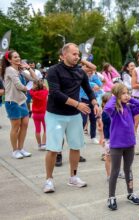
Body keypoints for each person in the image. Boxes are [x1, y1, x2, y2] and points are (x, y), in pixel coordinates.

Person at [43, 43, 99, 193]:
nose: (77, 57)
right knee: (53, 148)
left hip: (73, 116)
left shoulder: (80, 71)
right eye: (74, 54)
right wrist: (78, 104)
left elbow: (88, 89)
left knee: (75, 146)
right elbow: (55, 93)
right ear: (64, 55)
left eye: (78, 54)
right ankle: (49, 180)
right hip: (55, 115)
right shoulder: (54, 70)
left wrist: (94, 103)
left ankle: (73, 177)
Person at [104, 83, 139, 210]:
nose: (126, 96)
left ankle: (130, 193)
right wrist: (115, 96)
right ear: (116, 95)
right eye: (123, 93)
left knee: (128, 169)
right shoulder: (114, 110)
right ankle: (111, 196)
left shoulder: (129, 107)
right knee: (115, 171)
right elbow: (107, 107)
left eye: (128, 93)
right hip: (116, 145)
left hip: (130, 144)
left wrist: (129, 98)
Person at [1, 50, 38, 159]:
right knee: (15, 127)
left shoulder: (20, 70)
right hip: (12, 102)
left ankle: (21, 148)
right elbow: (19, 85)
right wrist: (29, 89)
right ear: (9, 59)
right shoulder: (9, 70)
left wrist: (28, 68)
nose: (18, 59)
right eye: (15, 57)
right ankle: (15, 150)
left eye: (19, 57)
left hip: (22, 101)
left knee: (25, 125)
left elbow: (35, 79)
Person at [80, 63, 101, 144]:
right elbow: (83, 85)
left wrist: (94, 77)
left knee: (93, 118)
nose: (89, 72)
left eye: (91, 71)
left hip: (93, 100)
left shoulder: (94, 77)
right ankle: (80, 137)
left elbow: (100, 85)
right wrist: (93, 85)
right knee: (83, 120)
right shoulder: (81, 76)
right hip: (83, 99)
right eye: (88, 70)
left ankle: (93, 137)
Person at [29, 79, 49, 151]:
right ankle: (44, 144)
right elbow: (47, 90)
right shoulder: (45, 92)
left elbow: (30, 91)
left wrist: (32, 88)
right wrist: (44, 87)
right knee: (46, 129)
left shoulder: (33, 93)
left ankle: (39, 144)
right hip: (44, 114)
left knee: (37, 130)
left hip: (35, 114)